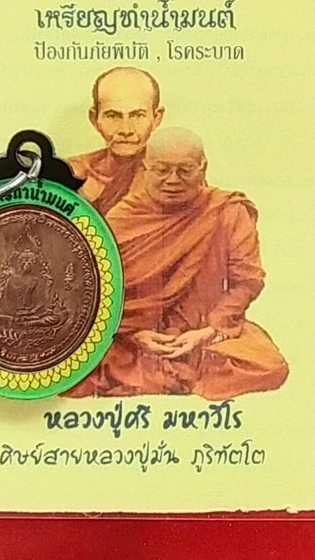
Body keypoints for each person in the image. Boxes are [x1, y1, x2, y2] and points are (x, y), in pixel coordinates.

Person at [67, 127, 288, 400]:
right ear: (145, 168)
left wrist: (210, 331)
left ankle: (164, 373)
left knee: (268, 366)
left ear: (202, 167)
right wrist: (134, 333)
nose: (173, 180)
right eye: (161, 170)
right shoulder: (123, 217)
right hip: (133, 335)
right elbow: (96, 291)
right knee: (73, 365)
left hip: (201, 330)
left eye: (185, 170)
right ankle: (169, 372)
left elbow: (247, 281)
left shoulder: (227, 210)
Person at [68, 67, 165, 214]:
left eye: (137, 115)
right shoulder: (73, 173)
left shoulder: (175, 179)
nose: (126, 130)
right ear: (94, 119)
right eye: (113, 116)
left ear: (156, 118)